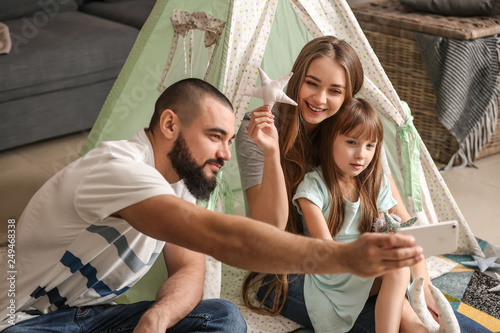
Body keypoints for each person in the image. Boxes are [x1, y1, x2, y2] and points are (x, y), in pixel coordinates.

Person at [0, 78, 424, 333]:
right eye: (215, 137)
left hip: (94, 319)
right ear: (170, 125)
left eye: (227, 140)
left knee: (221, 317)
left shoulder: (182, 181)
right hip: (24, 321)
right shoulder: (117, 169)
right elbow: (219, 237)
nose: (225, 153)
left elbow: (189, 269)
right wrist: (339, 256)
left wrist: (158, 317)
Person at [236, 36, 492, 332]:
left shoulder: (357, 132)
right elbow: (267, 231)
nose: (320, 99)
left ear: (349, 97)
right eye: (312, 83)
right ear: (295, 80)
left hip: (357, 266)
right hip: (288, 269)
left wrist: (422, 285)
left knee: (436, 317)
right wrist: (271, 151)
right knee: (401, 321)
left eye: (334, 91)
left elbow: (399, 217)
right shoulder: (260, 128)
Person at [293, 99, 427, 332]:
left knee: (400, 278)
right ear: (329, 140)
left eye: (369, 146)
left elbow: (385, 226)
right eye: (351, 142)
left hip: (363, 264)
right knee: (397, 270)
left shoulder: (375, 182)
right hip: (332, 270)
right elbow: (326, 250)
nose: (361, 155)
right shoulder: (313, 187)